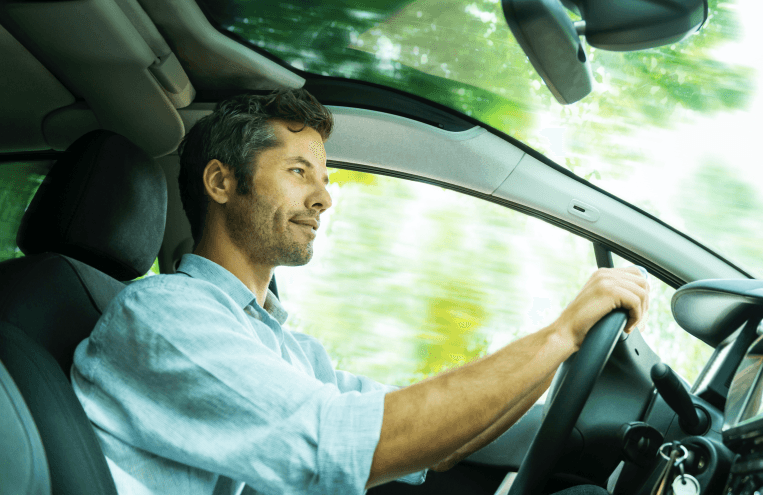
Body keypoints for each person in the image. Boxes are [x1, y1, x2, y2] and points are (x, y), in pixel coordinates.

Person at [72, 88, 650, 495]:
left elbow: (437, 444)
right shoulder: (163, 313)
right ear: (222, 182)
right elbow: (336, 444)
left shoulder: (290, 352)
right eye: (299, 172)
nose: (324, 199)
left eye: (325, 180)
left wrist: (563, 363)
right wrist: (560, 335)